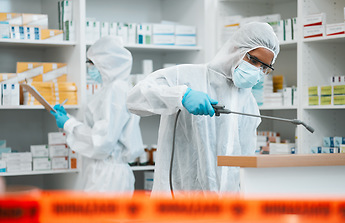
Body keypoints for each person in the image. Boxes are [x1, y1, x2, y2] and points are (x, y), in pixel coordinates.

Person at [126, 22, 279, 197]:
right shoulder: (185, 76)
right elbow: (134, 99)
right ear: (237, 49)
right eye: (253, 60)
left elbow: (245, 159)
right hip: (178, 200)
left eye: (264, 67)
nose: (256, 70)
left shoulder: (248, 101)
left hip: (225, 207)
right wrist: (180, 96)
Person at [51, 36, 144, 193]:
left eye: (92, 63)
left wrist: (69, 124)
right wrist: (68, 120)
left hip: (108, 176)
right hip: (106, 172)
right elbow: (101, 130)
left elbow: (103, 140)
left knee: (105, 218)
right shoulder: (111, 89)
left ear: (107, 64)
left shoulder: (116, 90)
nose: (90, 68)